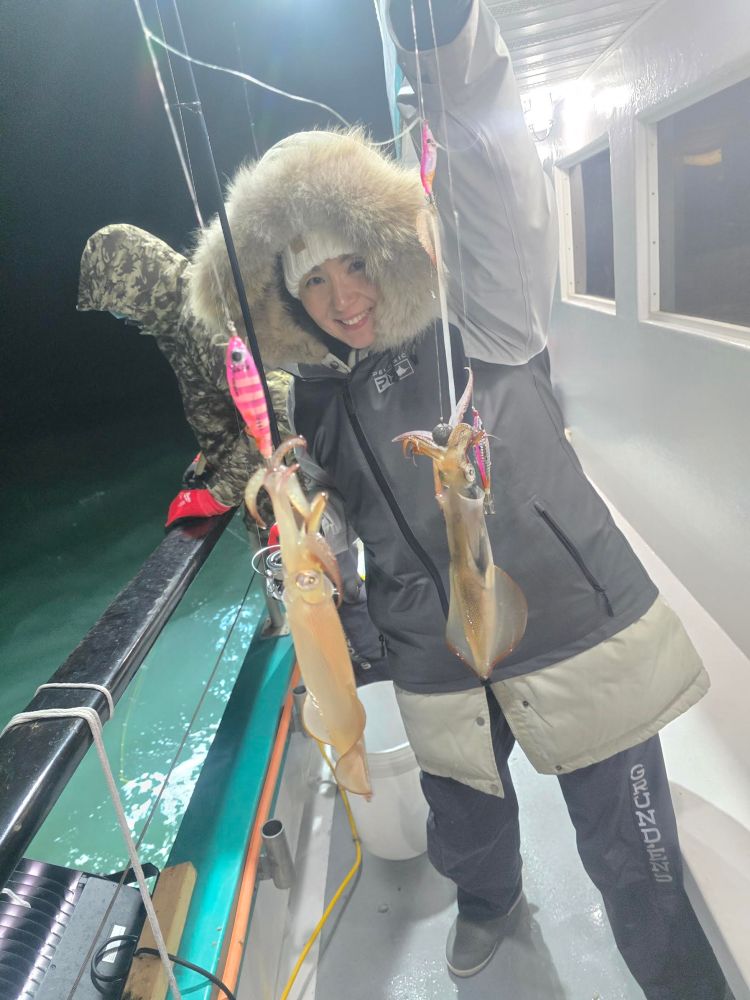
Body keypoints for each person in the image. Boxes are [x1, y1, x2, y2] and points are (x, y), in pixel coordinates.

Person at [187, 1, 728, 996]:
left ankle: (680, 979)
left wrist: (440, 40)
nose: (347, 298)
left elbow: (480, 153)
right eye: (316, 283)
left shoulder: (483, 310)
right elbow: (345, 516)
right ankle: (493, 903)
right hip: (431, 648)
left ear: (389, 251)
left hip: (569, 623)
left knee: (630, 851)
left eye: (359, 264)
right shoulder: (316, 391)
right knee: (464, 820)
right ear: (286, 299)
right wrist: (299, 509)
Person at [77, 223, 388, 681]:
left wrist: (219, 493)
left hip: (298, 501)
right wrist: (213, 458)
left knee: (336, 593)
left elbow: (276, 409)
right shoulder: (175, 322)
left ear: (138, 285)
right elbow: (222, 403)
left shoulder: (205, 321)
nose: (126, 319)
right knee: (317, 599)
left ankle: (373, 668)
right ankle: (347, 667)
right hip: (272, 497)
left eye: (122, 306)